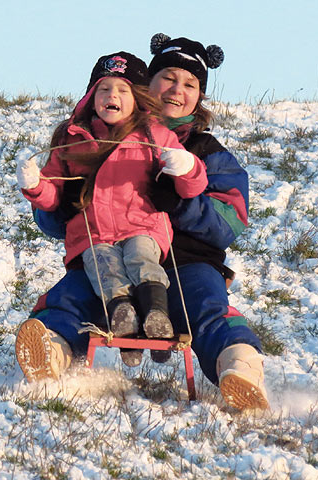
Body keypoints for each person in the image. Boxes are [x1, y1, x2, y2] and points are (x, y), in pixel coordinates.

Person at [16, 35, 269, 411]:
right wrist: (64, 203)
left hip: (186, 262)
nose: (176, 91)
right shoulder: (93, 140)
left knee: (205, 305)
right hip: (106, 250)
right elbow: (52, 219)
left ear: (200, 96)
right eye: (168, 78)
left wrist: (182, 203)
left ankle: (240, 367)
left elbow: (229, 222)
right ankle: (49, 352)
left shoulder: (207, 152)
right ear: (146, 85)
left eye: (190, 84)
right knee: (70, 295)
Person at [15, 51, 208, 367]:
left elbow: (191, 187)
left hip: (142, 225)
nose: (112, 96)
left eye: (122, 90)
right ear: (91, 97)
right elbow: (52, 195)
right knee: (104, 269)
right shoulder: (73, 138)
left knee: (141, 259)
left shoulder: (155, 135)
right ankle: (123, 320)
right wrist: (35, 185)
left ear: (137, 99)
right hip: (94, 233)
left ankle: (157, 315)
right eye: (103, 89)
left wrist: (186, 166)